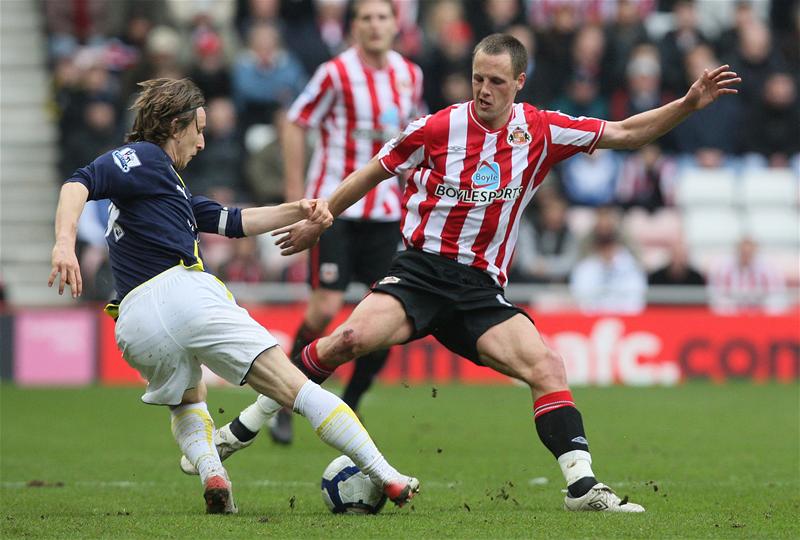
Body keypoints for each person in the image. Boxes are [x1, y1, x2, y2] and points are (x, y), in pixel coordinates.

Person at [207, 34, 740, 512]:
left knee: (547, 367)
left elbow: (625, 133)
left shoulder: (541, 130)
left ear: (519, 83)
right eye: (477, 78)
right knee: (346, 337)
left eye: (496, 81)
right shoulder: (437, 128)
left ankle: (582, 487)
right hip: (419, 272)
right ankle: (247, 424)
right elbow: (372, 172)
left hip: (481, 290)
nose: (484, 90)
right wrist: (322, 219)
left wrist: (689, 103)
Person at [47, 78, 418, 515]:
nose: (203, 143)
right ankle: (386, 475)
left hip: (135, 322)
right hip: (181, 291)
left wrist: (304, 208)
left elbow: (235, 220)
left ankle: (214, 476)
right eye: (198, 130)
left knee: (189, 397)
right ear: (173, 125)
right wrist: (63, 243)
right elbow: (78, 182)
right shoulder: (143, 157)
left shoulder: (167, 188)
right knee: (295, 387)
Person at [267, 0, 424, 445]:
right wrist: (296, 191)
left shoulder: (409, 75)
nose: (375, 26)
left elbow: (411, 141)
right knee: (322, 309)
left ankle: (349, 406)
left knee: (387, 321)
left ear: (396, 25)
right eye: (366, 18)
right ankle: (285, 398)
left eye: (382, 17)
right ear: (352, 27)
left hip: (387, 214)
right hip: (334, 211)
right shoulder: (335, 72)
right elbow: (296, 122)